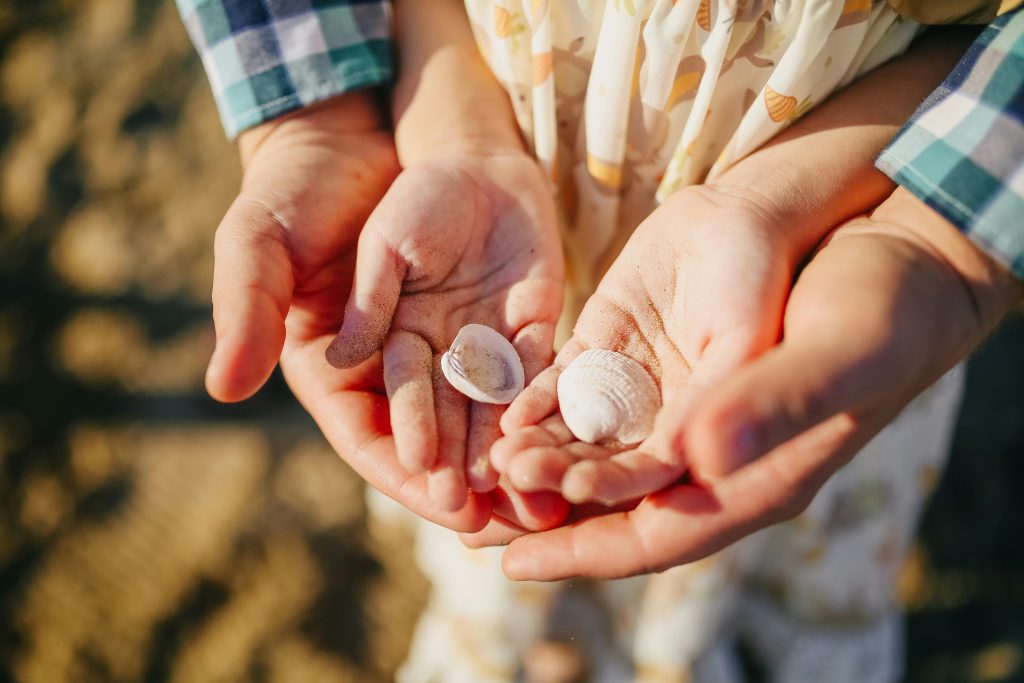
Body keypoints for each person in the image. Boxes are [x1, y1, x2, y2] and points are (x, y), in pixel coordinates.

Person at [175, 0, 1023, 680]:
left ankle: (688, 648)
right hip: (509, 209)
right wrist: (355, 120)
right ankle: (555, 643)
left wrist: (940, 243)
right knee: (499, 496)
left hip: (817, 246)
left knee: (741, 502)